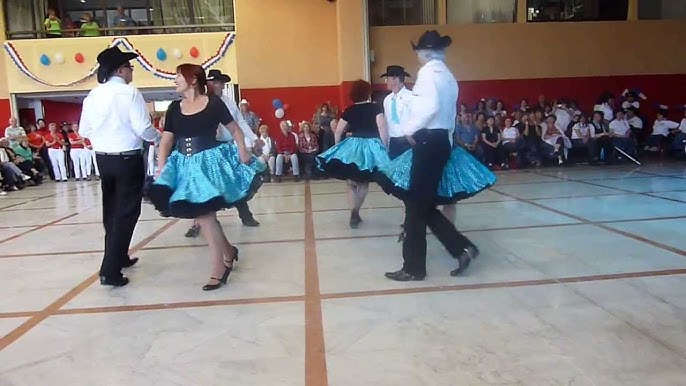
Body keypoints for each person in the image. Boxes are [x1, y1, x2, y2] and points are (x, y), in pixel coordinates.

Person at [381, 30, 489, 282]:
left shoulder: (428, 74)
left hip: (428, 141)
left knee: (415, 204)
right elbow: (448, 113)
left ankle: (414, 268)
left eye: (418, 52)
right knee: (423, 203)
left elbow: (428, 107)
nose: (417, 56)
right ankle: (461, 248)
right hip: (441, 140)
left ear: (424, 53)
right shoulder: (448, 76)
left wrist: (409, 130)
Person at [147, 64, 266, 291]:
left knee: (205, 215)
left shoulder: (214, 103)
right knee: (204, 216)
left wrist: (242, 149)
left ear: (193, 80)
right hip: (184, 165)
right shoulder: (173, 108)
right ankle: (229, 251)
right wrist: (161, 168)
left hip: (210, 164)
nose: (175, 81)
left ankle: (218, 268)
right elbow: (167, 140)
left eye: (178, 77)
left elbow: (236, 130)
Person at [79, 46, 160, 287]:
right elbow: (143, 128)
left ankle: (120, 255)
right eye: (130, 67)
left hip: (104, 159)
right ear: (121, 70)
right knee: (126, 213)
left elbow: (84, 130)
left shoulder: (93, 94)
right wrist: (158, 137)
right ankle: (110, 271)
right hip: (127, 159)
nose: (131, 72)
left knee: (112, 210)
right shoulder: (129, 93)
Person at [184, 69, 261, 238]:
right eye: (215, 82)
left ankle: (245, 216)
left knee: (235, 181)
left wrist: (254, 139)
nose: (218, 85)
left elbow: (240, 123)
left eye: (220, 83)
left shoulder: (229, 102)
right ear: (208, 84)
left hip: (226, 147)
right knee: (203, 186)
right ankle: (197, 223)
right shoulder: (201, 102)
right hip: (205, 149)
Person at [316, 79, 390, 229]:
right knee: (363, 182)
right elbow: (382, 128)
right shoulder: (375, 108)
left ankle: (353, 212)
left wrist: (339, 148)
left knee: (350, 183)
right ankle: (356, 212)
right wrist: (385, 147)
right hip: (370, 146)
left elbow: (338, 131)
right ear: (367, 92)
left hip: (353, 146)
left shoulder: (349, 110)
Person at [381, 65, 413, 159]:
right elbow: (387, 121)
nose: (386, 82)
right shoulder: (387, 99)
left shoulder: (410, 97)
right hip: (393, 141)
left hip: (408, 140)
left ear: (396, 79)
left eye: (387, 79)